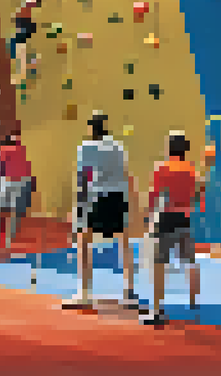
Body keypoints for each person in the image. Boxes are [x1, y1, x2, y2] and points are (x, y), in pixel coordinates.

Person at [63, 112, 139, 310]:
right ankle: (129, 292)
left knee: (84, 240)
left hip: (97, 197)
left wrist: (78, 209)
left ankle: (84, 293)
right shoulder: (119, 147)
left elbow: (83, 180)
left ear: (91, 128)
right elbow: (125, 174)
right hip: (118, 198)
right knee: (124, 241)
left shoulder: (85, 148)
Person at [143, 131, 203, 324]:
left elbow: (155, 195)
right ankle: (194, 299)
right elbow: (197, 195)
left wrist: (149, 216)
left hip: (166, 217)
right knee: (189, 259)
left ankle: (157, 309)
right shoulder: (192, 170)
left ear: (169, 148)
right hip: (185, 217)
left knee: (159, 262)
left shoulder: (162, 168)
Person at [0, 130, 32, 251]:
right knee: (12, 211)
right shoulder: (21, 150)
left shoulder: (5, 150)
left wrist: (0, 176)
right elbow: (25, 166)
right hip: (19, 182)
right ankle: (6, 238)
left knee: (4, 210)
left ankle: (1, 237)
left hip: (11, 182)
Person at [10, 0, 45, 85]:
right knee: (21, 51)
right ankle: (32, 65)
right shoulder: (26, 8)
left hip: (24, 30)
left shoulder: (26, 11)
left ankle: (25, 71)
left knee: (21, 52)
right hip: (24, 29)